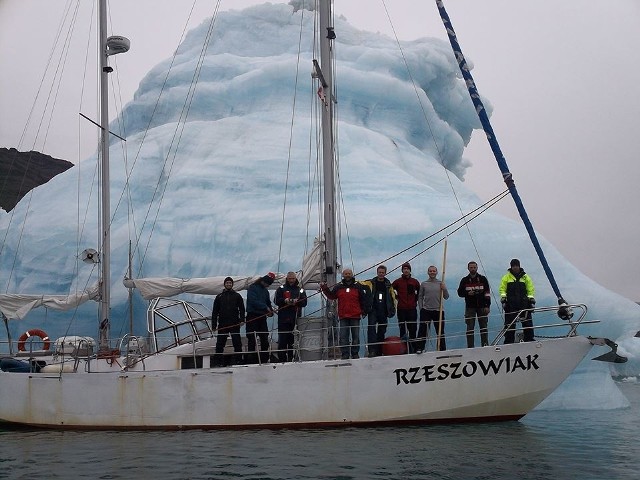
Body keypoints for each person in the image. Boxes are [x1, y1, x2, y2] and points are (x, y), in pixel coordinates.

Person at [320, 269, 370, 360]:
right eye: (346, 274)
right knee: (343, 337)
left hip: (355, 315)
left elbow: (363, 299)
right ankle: (345, 354)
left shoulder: (358, 286)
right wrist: (324, 288)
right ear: (343, 275)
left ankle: (355, 354)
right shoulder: (338, 287)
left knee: (356, 337)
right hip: (343, 316)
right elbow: (332, 296)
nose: (347, 275)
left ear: (352, 274)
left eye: (349, 274)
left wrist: (364, 311)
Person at [361, 265, 397, 357]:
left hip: (384, 311)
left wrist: (392, 310)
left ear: (385, 273)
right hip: (373, 310)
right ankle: (372, 350)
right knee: (371, 330)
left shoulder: (388, 285)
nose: (381, 274)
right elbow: (359, 284)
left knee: (382, 331)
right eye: (379, 272)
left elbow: (393, 297)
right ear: (377, 273)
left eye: (382, 272)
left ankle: (379, 350)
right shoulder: (370, 283)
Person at [211, 276, 246, 366]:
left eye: (230, 283)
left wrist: (242, 319)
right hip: (223, 324)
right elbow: (215, 312)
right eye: (227, 283)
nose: (228, 284)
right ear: (224, 284)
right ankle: (217, 362)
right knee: (220, 344)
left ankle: (239, 360)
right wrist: (213, 325)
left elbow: (242, 309)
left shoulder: (237, 296)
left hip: (234, 323)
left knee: (237, 343)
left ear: (232, 284)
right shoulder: (219, 297)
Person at [499, 258, 536, 343]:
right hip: (511, 304)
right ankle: (508, 341)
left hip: (524, 303)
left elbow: (530, 289)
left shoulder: (526, 277)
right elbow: (502, 289)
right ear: (511, 267)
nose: (515, 267)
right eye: (513, 266)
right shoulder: (506, 277)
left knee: (527, 322)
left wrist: (531, 300)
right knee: (509, 324)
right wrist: (504, 300)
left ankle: (529, 339)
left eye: (516, 266)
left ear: (519, 266)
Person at [274, 271, 308, 362]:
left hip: (296, 319)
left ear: (295, 278)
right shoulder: (281, 289)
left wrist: (296, 302)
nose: (291, 280)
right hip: (283, 319)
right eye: (290, 278)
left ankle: (291, 358)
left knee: (293, 341)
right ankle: (282, 360)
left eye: (293, 278)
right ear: (287, 279)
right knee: (283, 340)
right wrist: (285, 301)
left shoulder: (300, 290)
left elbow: (304, 302)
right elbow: (276, 300)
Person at [457, 261, 492, 348]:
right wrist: (468, 293)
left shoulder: (483, 279)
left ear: (477, 268)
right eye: (471, 267)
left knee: (483, 327)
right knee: (470, 328)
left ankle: (485, 346)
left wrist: (488, 306)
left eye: (474, 267)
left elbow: (487, 293)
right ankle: (470, 347)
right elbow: (459, 293)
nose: (473, 269)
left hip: (482, 306)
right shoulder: (464, 280)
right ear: (468, 268)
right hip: (470, 307)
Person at [417, 265, 449, 351]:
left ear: (436, 272)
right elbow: (420, 296)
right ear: (428, 272)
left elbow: (446, 297)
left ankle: (442, 349)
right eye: (430, 271)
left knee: (440, 331)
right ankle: (419, 348)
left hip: (439, 310)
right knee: (422, 331)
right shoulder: (424, 284)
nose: (432, 272)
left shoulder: (440, 283)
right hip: (426, 310)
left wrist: (444, 288)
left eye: (434, 271)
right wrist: (421, 308)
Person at [245, 272, 275, 363]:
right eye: (267, 283)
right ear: (263, 281)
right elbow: (253, 301)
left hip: (262, 317)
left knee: (264, 338)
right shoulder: (252, 288)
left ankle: (264, 359)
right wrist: (265, 308)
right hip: (252, 316)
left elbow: (268, 302)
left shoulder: (265, 291)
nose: (267, 285)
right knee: (252, 339)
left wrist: (270, 310)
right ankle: (251, 359)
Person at [392, 262, 420, 353]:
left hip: (412, 308)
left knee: (413, 329)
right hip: (401, 308)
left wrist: (415, 300)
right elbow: (391, 290)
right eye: (404, 269)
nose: (406, 270)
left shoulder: (415, 282)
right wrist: (396, 297)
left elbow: (420, 293)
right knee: (402, 329)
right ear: (402, 270)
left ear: (410, 270)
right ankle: (404, 349)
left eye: (407, 269)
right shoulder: (397, 282)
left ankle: (413, 349)